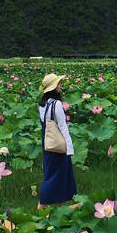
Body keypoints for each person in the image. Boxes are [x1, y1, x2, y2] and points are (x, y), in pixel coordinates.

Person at [38, 73, 76, 206]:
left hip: (47, 143)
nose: (60, 86)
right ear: (54, 87)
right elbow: (63, 127)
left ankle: (56, 205)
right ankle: (42, 202)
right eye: (58, 83)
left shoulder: (42, 105)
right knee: (57, 177)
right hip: (58, 145)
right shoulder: (57, 104)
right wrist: (69, 148)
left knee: (50, 174)